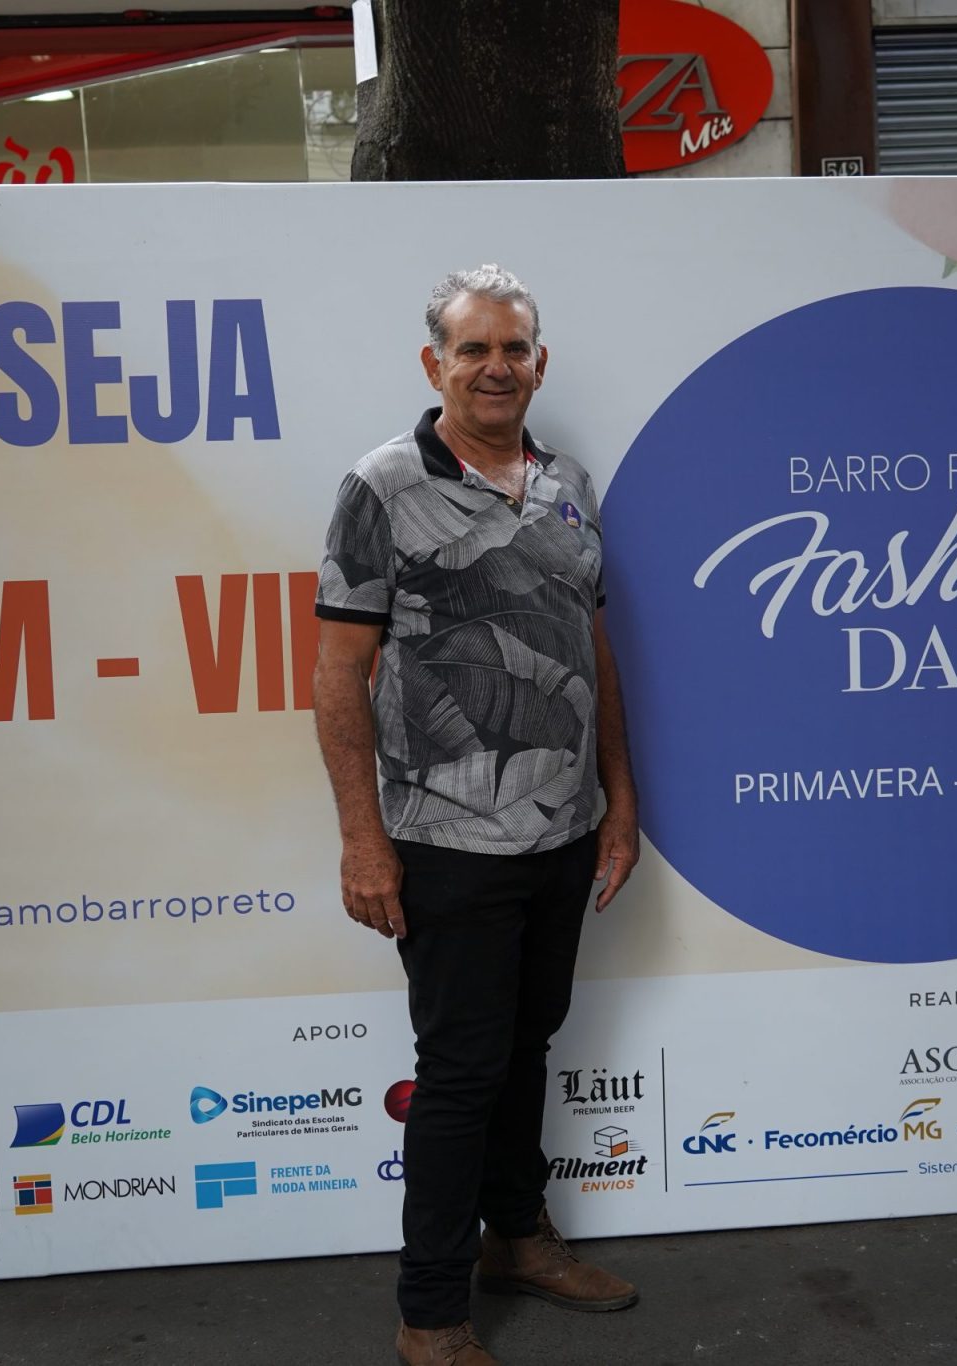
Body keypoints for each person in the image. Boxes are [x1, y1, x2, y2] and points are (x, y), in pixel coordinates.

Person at [313, 264, 641, 1366]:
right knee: (459, 1073)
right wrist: (362, 841)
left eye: (513, 349)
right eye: (473, 350)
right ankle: (430, 1316)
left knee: (527, 1045)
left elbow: (591, 647)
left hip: (563, 831)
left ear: (539, 363)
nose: (495, 368)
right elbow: (338, 673)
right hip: (445, 838)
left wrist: (618, 800)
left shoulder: (568, 484)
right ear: (435, 364)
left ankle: (520, 1240)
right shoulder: (382, 487)